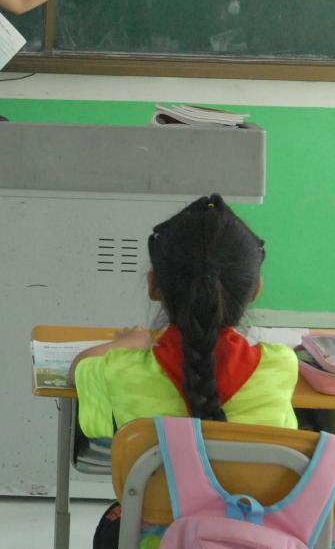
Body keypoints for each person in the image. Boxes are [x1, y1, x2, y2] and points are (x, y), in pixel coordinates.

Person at [67, 194, 298, 548]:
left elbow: (80, 369)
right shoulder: (280, 365)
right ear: (255, 289)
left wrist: (128, 344)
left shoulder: (119, 370)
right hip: (253, 537)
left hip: (154, 539)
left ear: (153, 286)